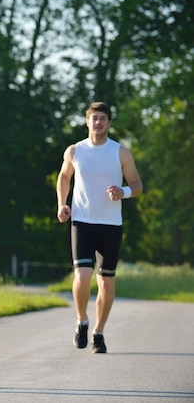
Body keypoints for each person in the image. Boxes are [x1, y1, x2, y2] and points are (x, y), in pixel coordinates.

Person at [56, 101, 143, 354]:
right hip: (82, 221)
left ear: (109, 122)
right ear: (87, 121)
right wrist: (62, 204)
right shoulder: (75, 151)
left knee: (105, 282)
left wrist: (123, 191)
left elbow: (137, 184)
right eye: (94, 118)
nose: (98, 122)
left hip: (111, 224)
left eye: (103, 118)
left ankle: (99, 332)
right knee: (82, 276)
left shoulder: (120, 152)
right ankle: (82, 321)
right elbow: (64, 177)